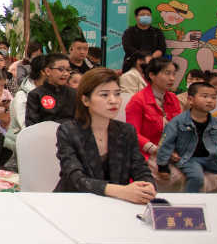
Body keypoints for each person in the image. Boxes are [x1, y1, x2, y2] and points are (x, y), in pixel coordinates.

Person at [54, 67, 156, 201]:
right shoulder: (68, 131)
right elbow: (77, 179)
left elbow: (140, 169)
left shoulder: (126, 131)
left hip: (116, 203)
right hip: (75, 202)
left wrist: (147, 186)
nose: (113, 100)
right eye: (104, 95)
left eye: (117, 93)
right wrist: (123, 190)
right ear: (85, 100)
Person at [157, 81, 217, 193]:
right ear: (190, 99)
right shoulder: (177, 122)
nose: (209, 100)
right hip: (189, 159)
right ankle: (188, 205)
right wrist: (163, 166)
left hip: (212, 159)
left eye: (213, 97)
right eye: (204, 96)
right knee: (196, 177)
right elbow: (165, 143)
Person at [125, 58, 181, 162]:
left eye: (174, 74)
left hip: (172, 151)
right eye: (167, 74)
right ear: (152, 75)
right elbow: (133, 134)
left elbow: (181, 127)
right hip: (147, 154)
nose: (172, 78)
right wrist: (159, 151)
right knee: (179, 177)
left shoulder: (173, 98)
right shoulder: (138, 100)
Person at [25, 53, 76, 125]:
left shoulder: (74, 94)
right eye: (61, 69)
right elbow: (31, 125)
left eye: (68, 70)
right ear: (48, 71)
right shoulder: (35, 95)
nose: (66, 74)